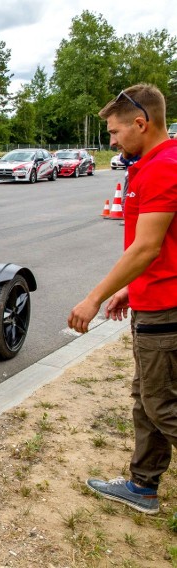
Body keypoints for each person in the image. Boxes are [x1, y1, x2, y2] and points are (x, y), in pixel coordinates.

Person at [67, 83, 177, 516]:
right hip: (152, 297)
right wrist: (131, 288)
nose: (111, 142)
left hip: (165, 309)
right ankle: (143, 486)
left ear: (140, 123)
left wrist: (97, 296)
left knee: (161, 405)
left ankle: (143, 485)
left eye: (114, 132)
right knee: (146, 400)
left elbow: (146, 247)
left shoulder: (163, 168)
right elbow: (165, 246)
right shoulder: (151, 164)